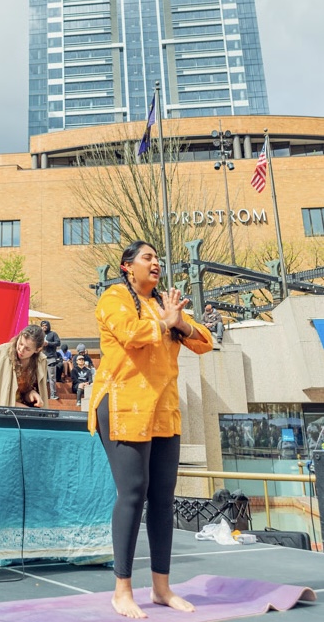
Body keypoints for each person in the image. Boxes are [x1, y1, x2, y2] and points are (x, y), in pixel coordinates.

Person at [88, 240, 212, 618]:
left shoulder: (163, 305)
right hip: (123, 404)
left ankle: (161, 588)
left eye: (158, 258)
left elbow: (204, 342)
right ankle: (122, 590)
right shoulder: (113, 298)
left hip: (163, 409)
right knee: (133, 492)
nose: (156, 262)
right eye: (147, 258)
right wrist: (165, 322)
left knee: (163, 496)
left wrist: (180, 322)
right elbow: (131, 334)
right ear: (127, 266)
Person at [0, 325, 48, 408]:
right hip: (0, 408)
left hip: (23, 409)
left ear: (37, 350)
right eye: (20, 343)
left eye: (27, 349)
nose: (21, 349)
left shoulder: (41, 361)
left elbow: (25, 392)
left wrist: (31, 393)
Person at [40, 320, 61, 399]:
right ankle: (42, 395)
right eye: (43, 326)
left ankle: (53, 394)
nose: (44, 327)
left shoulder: (53, 334)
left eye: (46, 325)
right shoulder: (40, 335)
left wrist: (48, 343)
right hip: (41, 358)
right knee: (41, 378)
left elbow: (58, 343)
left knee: (52, 378)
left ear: (48, 326)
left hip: (51, 358)